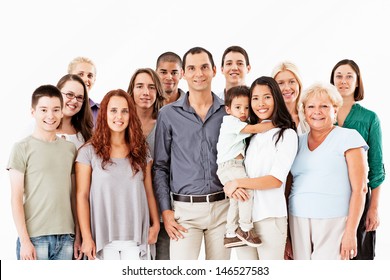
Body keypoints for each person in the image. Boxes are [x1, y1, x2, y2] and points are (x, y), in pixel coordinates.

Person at [153, 47, 230, 260]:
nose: (199, 73)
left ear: (214, 70)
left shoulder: (228, 112)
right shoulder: (168, 115)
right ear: (184, 74)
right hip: (184, 212)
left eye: (204, 67)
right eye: (192, 68)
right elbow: (161, 166)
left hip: (223, 208)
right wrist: (166, 211)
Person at [76, 89, 160, 260]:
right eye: (113, 110)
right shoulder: (88, 152)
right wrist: (86, 237)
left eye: (124, 111)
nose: (119, 116)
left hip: (136, 238)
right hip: (103, 240)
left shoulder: (141, 151)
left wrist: (156, 225)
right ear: (104, 114)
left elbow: (148, 190)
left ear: (131, 115)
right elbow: (81, 196)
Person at [288, 82, 368, 260]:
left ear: (335, 109)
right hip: (298, 218)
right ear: (304, 111)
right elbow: (289, 183)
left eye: (324, 106)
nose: (317, 111)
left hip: (334, 220)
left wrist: (351, 232)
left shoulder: (349, 137)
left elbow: (360, 189)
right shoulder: (296, 141)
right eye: (311, 106)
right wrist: (286, 236)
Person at [224, 76, 298, 260]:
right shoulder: (250, 135)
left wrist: (237, 183)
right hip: (245, 223)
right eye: (255, 98)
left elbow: (275, 180)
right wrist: (228, 185)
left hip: (270, 218)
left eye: (267, 97)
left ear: (276, 99)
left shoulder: (286, 134)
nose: (260, 103)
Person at [7, 85, 79, 260]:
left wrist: (77, 235)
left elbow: (74, 196)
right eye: (44, 110)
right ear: (33, 112)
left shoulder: (70, 149)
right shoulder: (21, 148)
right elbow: (16, 198)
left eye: (56, 110)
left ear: (62, 112)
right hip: (35, 238)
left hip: (67, 238)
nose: (50, 116)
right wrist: (24, 241)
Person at [330, 59, 385, 259]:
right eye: (339, 76)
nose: (343, 81)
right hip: (327, 196)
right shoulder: (321, 115)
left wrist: (374, 208)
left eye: (349, 76)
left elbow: (377, 167)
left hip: (359, 196)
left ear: (357, 81)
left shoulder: (369, 118)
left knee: (358, 257)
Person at [217, 85, 274, 248]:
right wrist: (277, 122)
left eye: (247, 108)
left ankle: (230, 233)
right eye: (238, 107)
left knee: (237, 198)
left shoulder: (237, 121)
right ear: (228, 109)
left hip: (230, 166)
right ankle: (246, 228)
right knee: (247, 192)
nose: (243, 111)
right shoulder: (230, 122)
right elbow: (256, 129)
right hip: (230, 166)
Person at [127, 68, 167, 260]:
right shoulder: (119, 123)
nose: (146, 92)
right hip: (129, 213)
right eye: (140, 86)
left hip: (162, 211)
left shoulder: (166, 122)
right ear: (131, 90)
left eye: (151, 87)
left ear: (158, 91)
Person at [56, 74, 94, 149]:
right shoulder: (38, 128)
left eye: (79, 97)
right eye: (69, 94)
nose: (74, 101)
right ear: (57, 93)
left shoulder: (86, 134)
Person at [272, 61, 310, 135]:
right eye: (280, 83)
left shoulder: (309, 115)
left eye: (292, 82)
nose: (287, 88)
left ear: (299, 84)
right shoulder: (269, 118)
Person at [68, 56, 99, 125]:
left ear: (94, 80)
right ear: (69, 77)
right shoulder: (58, 108)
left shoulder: (102, 112)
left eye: (90, 75)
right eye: (80, 74)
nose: (85, 79)